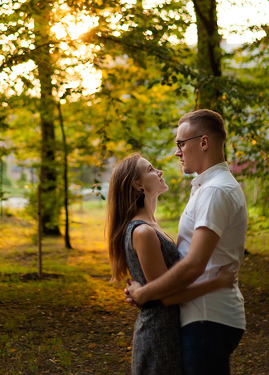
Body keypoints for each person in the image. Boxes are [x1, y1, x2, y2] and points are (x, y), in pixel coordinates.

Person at [126, 109, 248, 375]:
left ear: (203, 142)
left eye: (181, 144)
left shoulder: (215, 190)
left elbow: (194, 264)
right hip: (205, 316)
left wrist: (143, 294)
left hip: (208, 317)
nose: (176, 152)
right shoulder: (206, 187)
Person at [107, 153, 238, 375]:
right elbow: (166, 296)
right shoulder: (143, 231)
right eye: (150, 169)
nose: (159, 171)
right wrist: (218, 282)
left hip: (171, 329)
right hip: (159, 335)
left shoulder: (152, 227)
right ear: (137, 184)